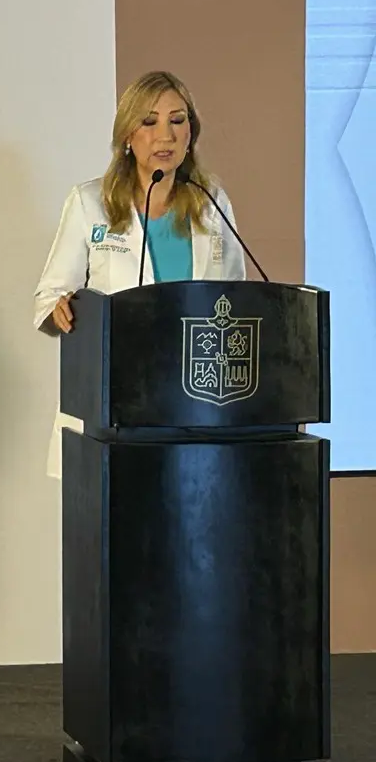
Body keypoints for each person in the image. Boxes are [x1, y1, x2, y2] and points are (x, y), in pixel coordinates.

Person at [32, 69, 248, 477]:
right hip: (115, 410)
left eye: (177, 121)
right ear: (128, 135)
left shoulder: (211, 202)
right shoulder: (90, 203)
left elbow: (237, 300)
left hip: (194, 409)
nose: (164, 135)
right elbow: (48, 297)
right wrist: (61, 308)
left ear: (190, 134)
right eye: (149, 122)